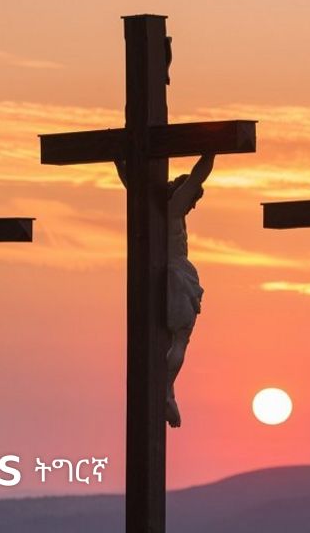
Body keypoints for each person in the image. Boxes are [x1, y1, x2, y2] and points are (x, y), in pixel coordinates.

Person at [115, 153, 215, 428]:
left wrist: (119, 160)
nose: (193, 205)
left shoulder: (151, 209)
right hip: (177, 274)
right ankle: (165, 388)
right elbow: (199, 174)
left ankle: (166, 390)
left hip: (154, 275)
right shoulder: (174, 208)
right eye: (193, 199)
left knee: (165, 339)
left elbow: (132, 184)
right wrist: (212, 151)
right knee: (180, 338)